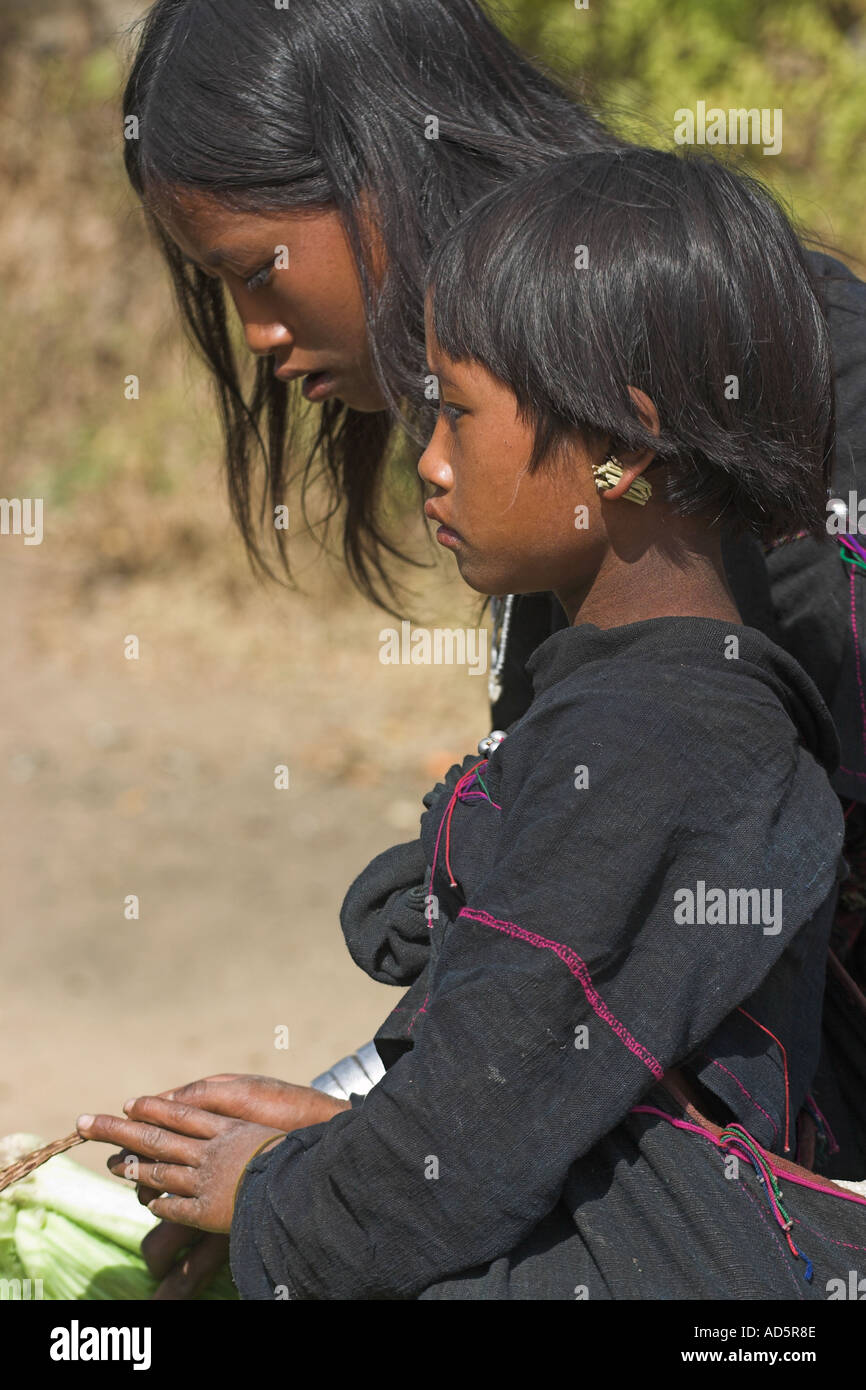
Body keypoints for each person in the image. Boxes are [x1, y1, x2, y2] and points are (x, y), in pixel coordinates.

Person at [80, 147, 866, 1298]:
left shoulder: (654, 744)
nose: (428, 465)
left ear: (621, 449)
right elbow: (525, 1087)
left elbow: (467, 1146)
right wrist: (331, 1147)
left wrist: (281, 1199)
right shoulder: (644, 705)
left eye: (455, 413)